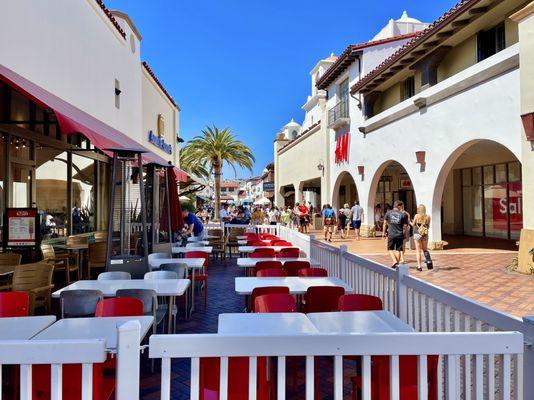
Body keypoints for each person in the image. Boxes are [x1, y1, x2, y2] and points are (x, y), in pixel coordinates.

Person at [382, 200, 409, 269]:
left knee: (390, 249)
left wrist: (383, 232)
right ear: (398, 206)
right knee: (398, 249)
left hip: (391, 234)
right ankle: (396, 263)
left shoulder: (388, 213)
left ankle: (394, 261)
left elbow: (385, 223)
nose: (402, 207)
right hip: (400, 234)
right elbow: (405, 226)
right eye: (401, 206)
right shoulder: (403, 214)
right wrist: (405, 234)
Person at [413, 204, 433, 271]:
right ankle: (428, 261)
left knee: (418, 251)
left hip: (417, 234)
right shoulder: (428, 217)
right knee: (425, 249)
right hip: (425, 234)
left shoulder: (416, 216)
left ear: (418, 209)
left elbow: (413, 224)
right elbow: (428, 226)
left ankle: (419, 266)